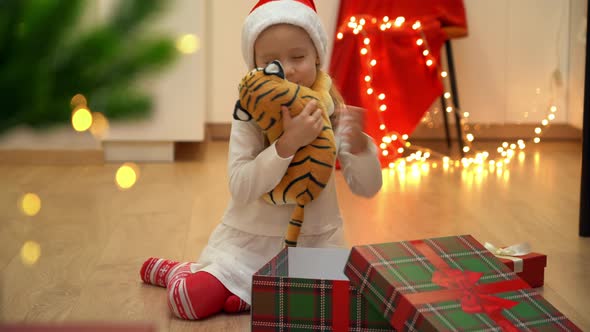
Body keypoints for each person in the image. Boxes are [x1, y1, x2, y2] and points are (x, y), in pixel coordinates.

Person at [139, 0, 383, 320]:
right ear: (254, 65)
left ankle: (254, 294)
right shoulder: (249, 112)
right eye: (271, 61)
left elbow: (368, 188)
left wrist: (359, 147)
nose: (289, 69)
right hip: (248, 247)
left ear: (318, 57)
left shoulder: (330, 110)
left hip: (317, 246)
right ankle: (185, 273)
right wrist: (287, 145)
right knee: (190, 301)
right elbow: (241, 187)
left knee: (357, 304)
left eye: (298, 57)